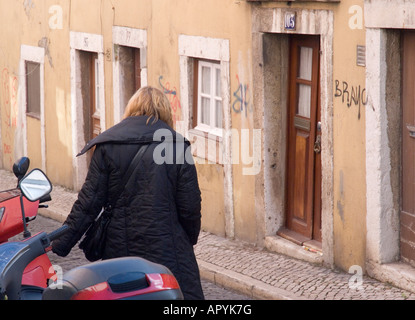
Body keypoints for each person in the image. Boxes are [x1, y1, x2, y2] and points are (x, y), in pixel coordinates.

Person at [52, 86, 204, 300]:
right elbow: (190, 205)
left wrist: (60, 243)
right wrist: (187, 239)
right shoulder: (176, 146)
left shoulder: (108, 144)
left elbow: (88, 203)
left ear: (131, 109)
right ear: (166, 113)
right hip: (168, 250)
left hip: (120, 249)